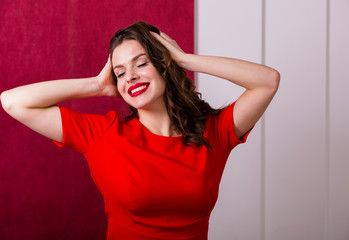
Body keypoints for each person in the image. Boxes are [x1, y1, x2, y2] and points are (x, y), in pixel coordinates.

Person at [0, 21, 280, 239]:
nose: (130, 76)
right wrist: (97, 85)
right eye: (120, 72)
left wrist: (184, 59)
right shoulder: (103, 135)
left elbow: (267, 81)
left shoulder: (213, 132)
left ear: (164, 66)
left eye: (142, 63)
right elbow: (12, 102)